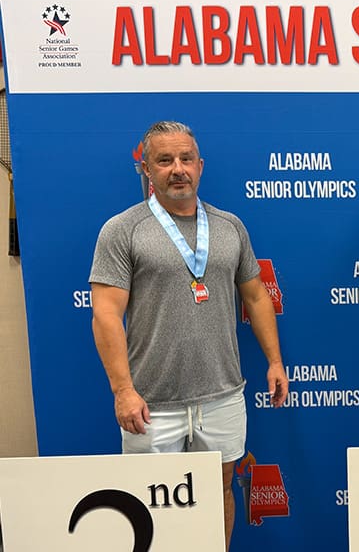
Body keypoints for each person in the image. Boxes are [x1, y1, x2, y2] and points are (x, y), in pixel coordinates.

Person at [90, 120, 288, 551]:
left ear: (200, 166)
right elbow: (105, 314)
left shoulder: (229, 226)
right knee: (149, 503)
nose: (177, 169)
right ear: (146, 168)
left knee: (218, 492)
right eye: (164, 160)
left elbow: (255, 296)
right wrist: (123, 390)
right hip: (152, 403)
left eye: (185, 159)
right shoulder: (122, 230)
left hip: (221, 395)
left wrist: (274, 360)